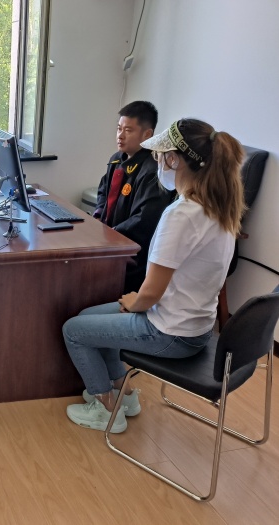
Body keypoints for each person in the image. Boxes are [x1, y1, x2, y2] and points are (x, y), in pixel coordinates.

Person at [63, 118, 245, 433]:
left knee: (74, 330)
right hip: (197, 327)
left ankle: (106, 409)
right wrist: (136, 302)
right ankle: (124, 395)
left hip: (170, 332)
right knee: (89, 318)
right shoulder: (220, 209)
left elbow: (150, 294)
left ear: (174, 160)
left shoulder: (181, 215)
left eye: (160, 156)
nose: (157, 162)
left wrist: (134, 303)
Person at [93, 101, 176, 293]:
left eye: (128, 130)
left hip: (133, 252)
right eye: (119, 129)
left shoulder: (153, 170)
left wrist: (112, 233)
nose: (120, 135)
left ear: (147, 134)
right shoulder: (116, 159)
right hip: (110, 240)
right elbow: (103, 190)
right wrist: (98, 215)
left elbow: (145, 219)